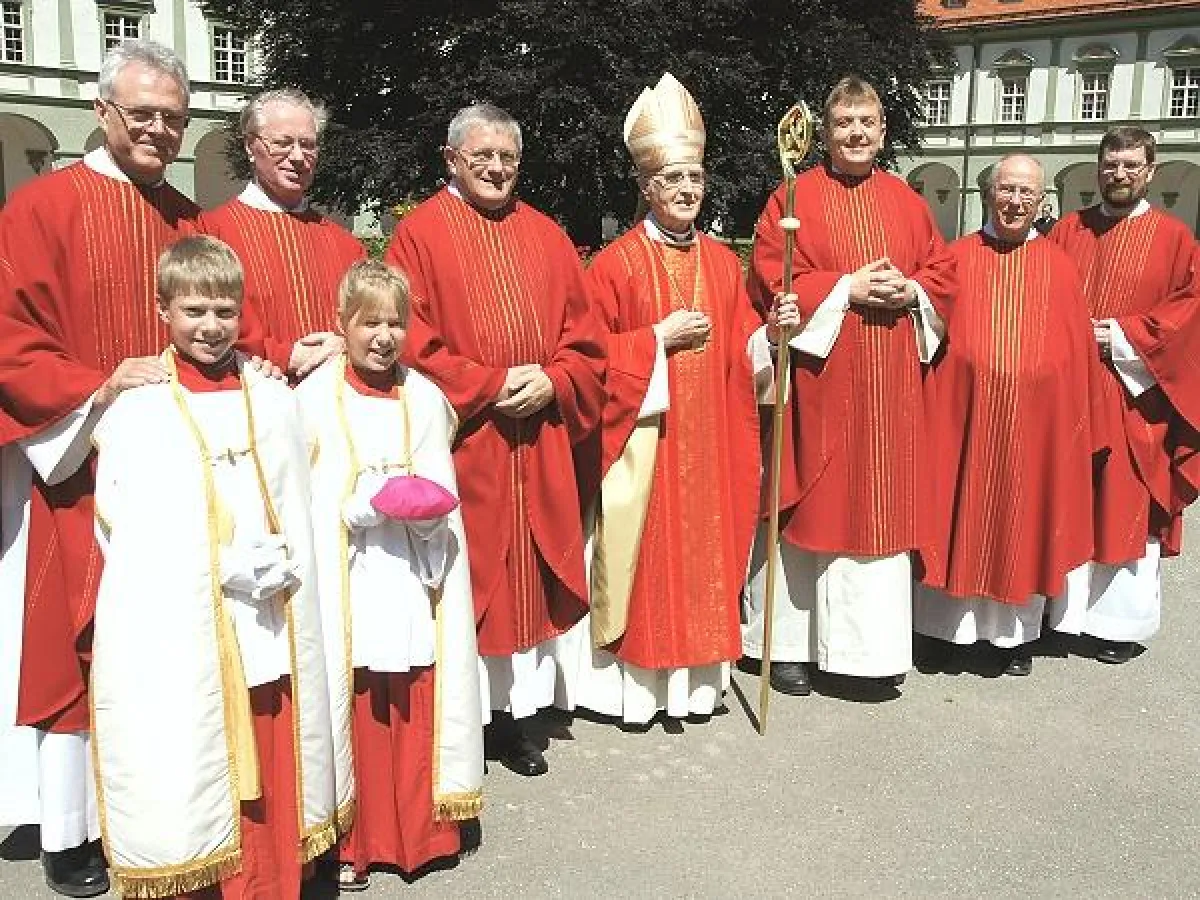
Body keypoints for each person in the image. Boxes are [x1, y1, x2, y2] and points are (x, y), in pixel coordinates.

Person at [88, 235, 350, 899]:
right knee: (202, 755)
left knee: (273, 744)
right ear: (163, 311)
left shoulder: (274, 399)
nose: (210, 327)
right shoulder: (140, 410)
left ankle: (275, 879)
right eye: (194, 311)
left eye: (225, 311)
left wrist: (280, 554)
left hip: (271, 614)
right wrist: (213, 564)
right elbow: (122, 524)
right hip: (193, 623)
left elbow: (303, 490)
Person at [0, 38, 200, 898]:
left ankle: (155, 809)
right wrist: (99, 388)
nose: (158, 129)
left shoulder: (187, 217)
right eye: (142, 113)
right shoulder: (40, 208)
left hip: (175, 475)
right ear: (102, 111)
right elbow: (12, 337)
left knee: (165, 644)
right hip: (74, 464)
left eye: (173, 118)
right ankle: (68, 828)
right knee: (74, 641)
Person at [385, 104, 605, 776]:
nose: (496, 168)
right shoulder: (419, 235)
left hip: (536, 442)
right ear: (451, 159)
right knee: (466, 580)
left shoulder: (546, 234)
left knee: (522, 585)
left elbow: (585, 338)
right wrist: (488, 384)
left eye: (507, 157)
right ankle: (461, 724)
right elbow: (409, 339)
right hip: (467, 444)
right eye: (481, 155)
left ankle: (512, 719)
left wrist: (555, 380)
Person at [744, 76, 957, 694]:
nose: (856, 133)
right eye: (844, 123)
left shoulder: (907, 201)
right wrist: (846, 289)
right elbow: (771, 275)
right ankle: (787, 647)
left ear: (883, 132)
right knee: (807, 503)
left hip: (889, 391)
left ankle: (868, 656)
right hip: (820, 383)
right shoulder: (792, 196)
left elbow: (941, 274)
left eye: (867, 122)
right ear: (825, 134)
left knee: (879, 507)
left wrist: (911, 290)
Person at [576, 73, 762, 723]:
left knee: (704, 560)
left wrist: (776, 336)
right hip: (645, 449)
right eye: (672, 179)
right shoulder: (615, 264)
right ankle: (638, 696)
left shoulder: (724, 264)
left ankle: (697, 690)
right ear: (646, 186)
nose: (686, 190)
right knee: (650, 565)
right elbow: (590, 356)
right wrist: (654, 339)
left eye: (695, 179)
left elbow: (745, 351)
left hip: (710, 448)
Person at [297, 260, 483, 890]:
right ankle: (356, 841)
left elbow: (439, 484)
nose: (383, 337)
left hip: (409, 576)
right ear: (341, 324)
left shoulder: (425, 398)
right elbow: (304, 497)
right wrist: (359, 505)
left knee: (412, 694)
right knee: (356, 703)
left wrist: (426, 514)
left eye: (395, 324)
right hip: (349, 577)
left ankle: (419, 836)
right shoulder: (313, 399)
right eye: (369, 323)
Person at [912, 155, 1099, 676]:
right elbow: (927, 336)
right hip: (962, 418)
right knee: (955, 515)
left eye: (1027, 194)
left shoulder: (1060, 266)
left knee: (1023, 520)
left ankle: (1011, 639)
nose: (1016, 202)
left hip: (1033, 428)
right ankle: (943, 632)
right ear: (989, 193)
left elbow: (1075, 354)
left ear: (1041, 202)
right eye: (1007, 190)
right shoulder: (955, 258)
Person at [1047, 126, 1200, 664]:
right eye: (1111, 163)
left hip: (1137, 396)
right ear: (1098, 167)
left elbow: (1190, 312)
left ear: (1150, 171)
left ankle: (1117, 624)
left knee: (1125, 501)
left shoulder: (1175, 238)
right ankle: (1060, 617)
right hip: (1068, 391)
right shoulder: (1068, 230)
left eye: (1132, 164)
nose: (1119, 173)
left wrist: (1122, 336)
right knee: (1066, 497)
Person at [200, 88, 365, 379]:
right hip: (250, 391)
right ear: (250, 146)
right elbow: (201, 323)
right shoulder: (212, 232)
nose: (298, 157)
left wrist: (348, 344)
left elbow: (374, 319)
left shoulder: (347, 246)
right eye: (282, 143)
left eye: (308, 145)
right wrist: (283, 355)